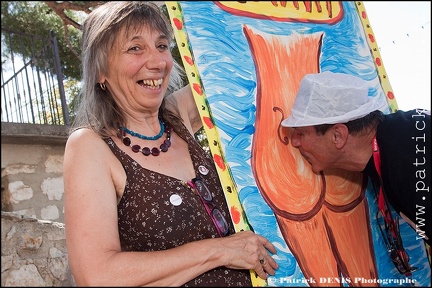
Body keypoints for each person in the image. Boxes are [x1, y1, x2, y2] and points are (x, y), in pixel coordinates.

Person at [63, 2, 278, 286]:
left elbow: (239, 65)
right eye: (135, 48)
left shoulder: (178, 116)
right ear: (101, 70)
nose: (158, 62)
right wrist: (220, 251)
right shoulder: (90, 146)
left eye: (162, 46)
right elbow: (97, 275)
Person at [281, 71, 431, 248]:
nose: (294, 141)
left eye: (301, 133)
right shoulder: (399, 138)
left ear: (338, 135)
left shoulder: (408, 165)